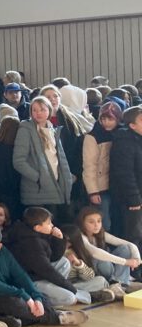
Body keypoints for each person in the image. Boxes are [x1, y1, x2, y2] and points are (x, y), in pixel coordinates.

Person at [0, 225, 86, 327]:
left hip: (9, 290)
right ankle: (57, 318)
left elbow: (19, 274)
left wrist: (36, 297)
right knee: (16, 303)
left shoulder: (3, 252)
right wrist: (23, 295)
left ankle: (16, 320)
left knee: (42, 297)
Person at [5, 207, 106, 307]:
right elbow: (48, 271)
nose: (52, 225)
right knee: (70, 298)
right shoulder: (31, 244)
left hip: (41, 276)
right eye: (49, 223)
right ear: (38, 227)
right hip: (31, 281)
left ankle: (72, 292)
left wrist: (59, 238)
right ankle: (88, 296)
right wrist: (71, 289)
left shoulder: (37, 235)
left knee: (64, 262)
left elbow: (54, 257)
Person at [13, 97, 73, 221]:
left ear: (49, 111)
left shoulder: (53, 130)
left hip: (55, 184)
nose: (38, 113)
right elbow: (18, 161)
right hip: (37, 188)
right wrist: (39, 177)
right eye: (34, 110)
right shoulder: (25, 129)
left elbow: (57, 157)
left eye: (42, 109)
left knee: (54, 224)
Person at [72, 206, 142, 291]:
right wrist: (126, 262)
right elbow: (95, 253)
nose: (96, 225)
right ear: (82, 223)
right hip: (92, 271)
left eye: (99, 221)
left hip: (107, 269)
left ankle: (120, 283)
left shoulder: (100, 233)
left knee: (125, 248)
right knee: (101, 256)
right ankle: (118, 283)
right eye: (91, 222)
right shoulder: (80, 236)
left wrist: (137, 258)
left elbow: (128, 244)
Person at [82, 101, 121, 231]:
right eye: (103, 119)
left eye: (110, 119)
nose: (106, 122)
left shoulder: (121, 134)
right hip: (101, 187)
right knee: (104, 223)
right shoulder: (93, 136)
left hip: (117, 186)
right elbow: (89, 166)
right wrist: (93, 191)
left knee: (117, 221)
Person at [110, 105, 142, 253]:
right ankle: (133, 264)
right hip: (132, 198)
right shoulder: (124, 141)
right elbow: (124, 173)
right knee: (134, 234)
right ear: (132, 125)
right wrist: (134, 198)